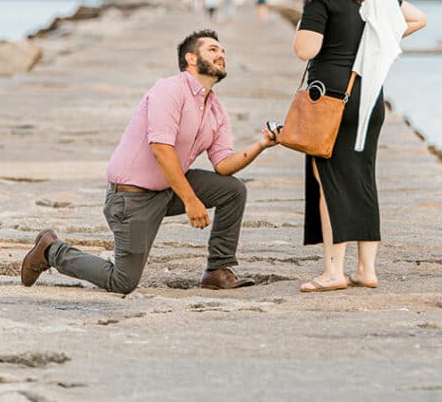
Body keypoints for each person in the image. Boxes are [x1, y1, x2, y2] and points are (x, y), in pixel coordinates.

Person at [20, 30, 279, 294]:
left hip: (166, 190)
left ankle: (217, 270)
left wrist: (261, 145)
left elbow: (223, 164)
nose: (221, 54)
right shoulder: (169, 89)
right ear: (191, 58)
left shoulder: (215, 109)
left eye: (223, 50)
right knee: (122, 282)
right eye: (212, 49)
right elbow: (161, 150)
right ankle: (51, 250)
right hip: (132, 199)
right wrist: (191, 201)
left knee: (233, 189)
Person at [291, 0, 427, 292]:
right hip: (368, 98)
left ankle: (333, 272)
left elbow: (306, 48)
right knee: (363, 179)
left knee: (330, 183)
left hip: (331, 100)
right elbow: (418, 19)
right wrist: (377, 47)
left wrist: (303, 23)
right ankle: (366, 269)